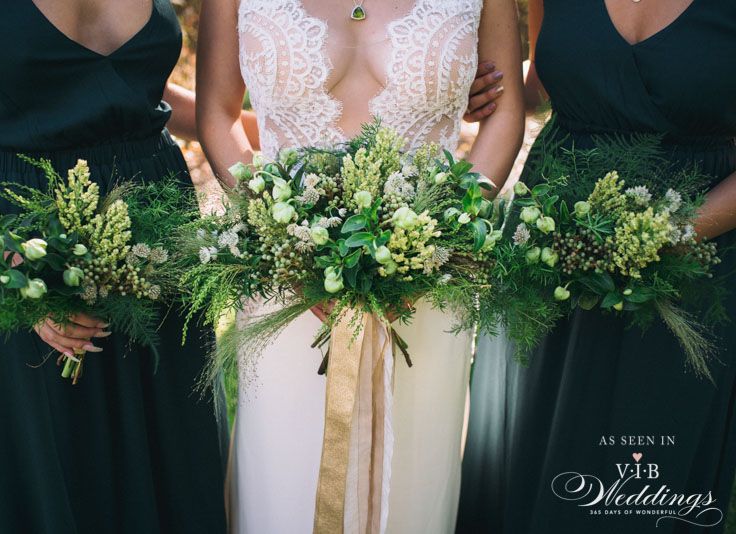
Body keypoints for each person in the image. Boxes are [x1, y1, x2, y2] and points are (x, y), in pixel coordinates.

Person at [196, 0, 525, 532]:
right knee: (285, 480)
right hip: (284, 282)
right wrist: (283, 242)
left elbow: (506, 115)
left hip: (427, 280)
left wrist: (434, 240)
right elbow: (217, 114)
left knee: (412, 478)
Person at [0, 0, 226, 531]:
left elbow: (130, 87)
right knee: (71, 478)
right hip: (29, 245)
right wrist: (16, 270)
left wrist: (277, 127)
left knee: (185, 464)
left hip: (162, 247)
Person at [458, 1, 736, 532]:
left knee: (648, 473)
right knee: (532, 446)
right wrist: (484, 89)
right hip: (552, 246)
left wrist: (662, 238)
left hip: (694, 256)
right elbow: (546, 76)